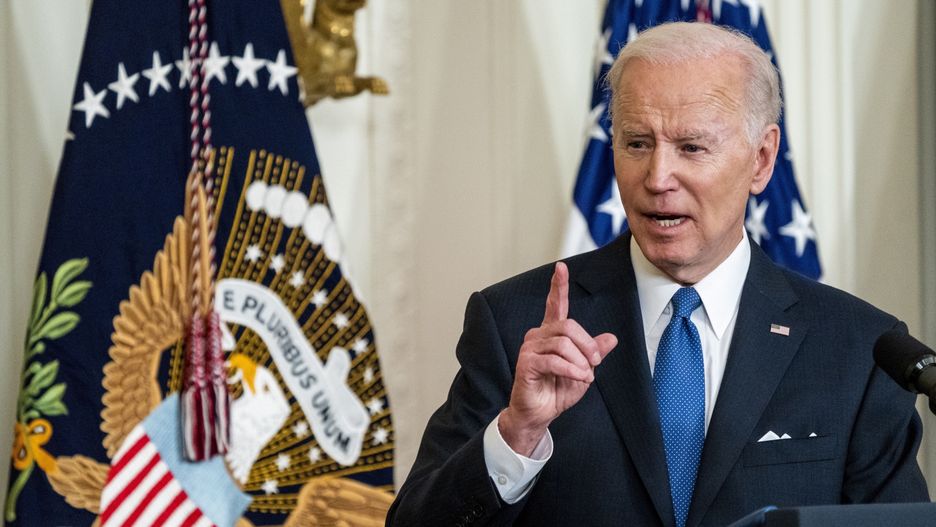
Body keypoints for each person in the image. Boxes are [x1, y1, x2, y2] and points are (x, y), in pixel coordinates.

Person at [386, 21, 928, 527]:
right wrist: (517, 434)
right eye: (637, 144)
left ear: (762, 159)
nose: (657, 177)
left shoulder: (859, 350)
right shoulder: (515, 324)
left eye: (692, 147)